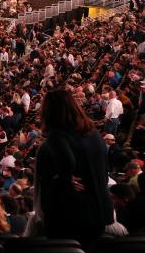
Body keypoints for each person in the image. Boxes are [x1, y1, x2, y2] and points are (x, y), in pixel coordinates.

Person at [35, 88, 114, 244]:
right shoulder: (94, 134)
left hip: (70, 215)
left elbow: (67, 162)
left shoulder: (56, 136)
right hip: (99, 211)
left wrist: (63, 179)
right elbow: (104, 173)